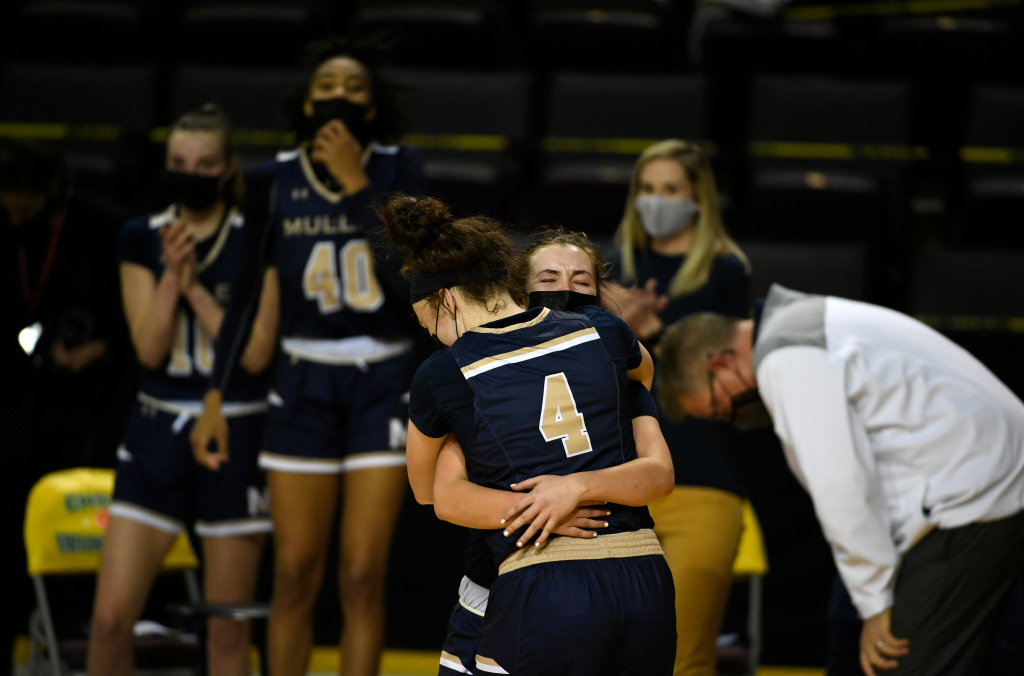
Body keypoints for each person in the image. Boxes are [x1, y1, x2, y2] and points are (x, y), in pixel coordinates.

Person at [189, 34, 426, 676]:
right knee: (293, 574)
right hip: (301, 379)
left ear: (371, 109)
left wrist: (357, 186)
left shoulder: (400, 168)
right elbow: (240, 302)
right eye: (327, 87)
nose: (340, 96)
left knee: (361, 576)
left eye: (354, 88)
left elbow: (414, 283)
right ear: (307, 104)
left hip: (384, 375)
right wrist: (214, 395)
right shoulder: (271, 180)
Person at [656, 283, 1024, 676]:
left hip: (977, 488)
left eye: (719, 408)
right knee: (860, 633)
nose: (732, 419)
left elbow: (842, 487)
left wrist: (876, 606)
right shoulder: (802, 323)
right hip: (982, 474)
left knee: (899, 660)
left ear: (722, 364)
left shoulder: (786, 358)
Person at [382, 195, 677, 675]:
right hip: (643, 574)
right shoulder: (602, 328)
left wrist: (535, 501)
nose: (435, 336)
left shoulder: (447, 371)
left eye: (428, 323)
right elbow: (644, 375)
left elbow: (428, 492)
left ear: (446, 300)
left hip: (540, 577)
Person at [86, 104, 273, 676]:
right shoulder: (140, 236)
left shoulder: (256, 237)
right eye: (179, 162)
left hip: (235, 430)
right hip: (155, 428)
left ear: (227, 169)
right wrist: (173, 277)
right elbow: (148, 349)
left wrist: (196, 292)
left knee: (224, 632)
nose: (190, 172)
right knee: (111, 619)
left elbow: (255, 353)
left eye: (204, 163)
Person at [606, 138, 752, 676]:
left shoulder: (727, 272)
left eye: (670, 189)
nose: (655, 200)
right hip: (619, 483)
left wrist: (652, 332)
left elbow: (722, 379)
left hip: (703, 480)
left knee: (685, 658)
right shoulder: (612, 269)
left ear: (697, 200)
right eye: (646, 188)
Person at [2, 138, 133, 675]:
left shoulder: (104, 227)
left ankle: (68, 636)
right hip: (17, 399)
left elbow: (131, 315)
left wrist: (101, 346)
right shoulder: (7, 227)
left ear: (52, 190)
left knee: (73, 521)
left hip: (87, 403)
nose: (16, 214)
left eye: (25, 204)